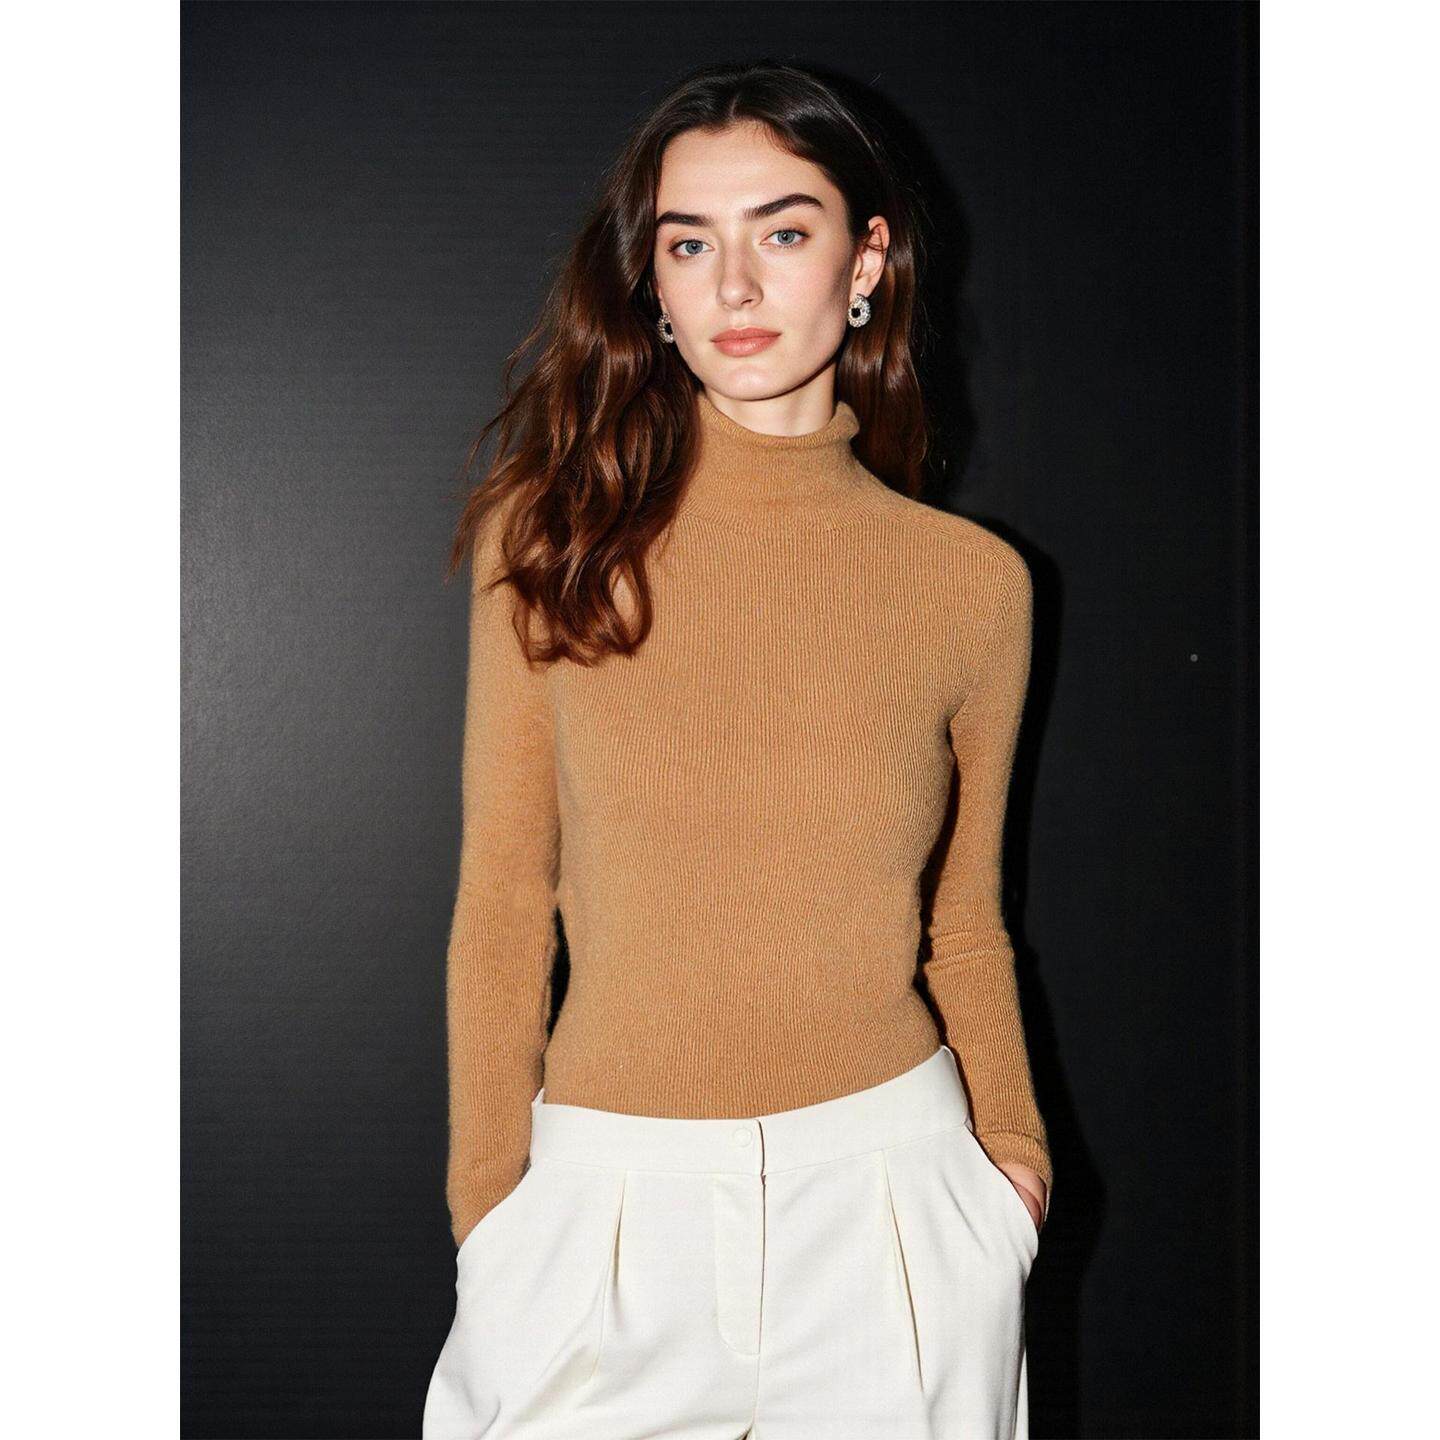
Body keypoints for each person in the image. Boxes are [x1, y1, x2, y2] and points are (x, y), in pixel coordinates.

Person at [423, 59, 1050, 1440]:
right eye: (691, 245)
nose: (738, 286)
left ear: (866, 261)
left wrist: (1009, 1163)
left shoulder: (970, 586)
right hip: (602, 1221)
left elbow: (964, 919)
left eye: (784, 231)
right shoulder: (551, 540)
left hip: (895, 1212)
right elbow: (503, 905)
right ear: (652, 283)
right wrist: (491, 1210)